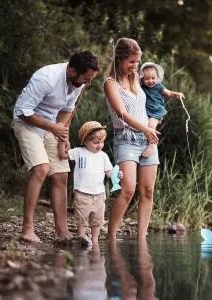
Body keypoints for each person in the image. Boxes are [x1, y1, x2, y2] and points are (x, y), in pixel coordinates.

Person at [12, 51, 100, 243]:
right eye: (86, 78)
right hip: (27, 123)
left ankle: (62, 233)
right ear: (72, 70)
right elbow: (23, 111)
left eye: (91, 79)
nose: (88, 83)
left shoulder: (78, 83)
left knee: (61, 174)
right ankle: (27, 230)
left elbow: (66, 110)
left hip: (51, 125)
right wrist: (53, 127)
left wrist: (62, 136)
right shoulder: (46, 78)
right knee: (42, 169)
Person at [104, 37, 159, 240]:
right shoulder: (110, 83)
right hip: (125, 139)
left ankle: (141, 239)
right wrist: (145, 129)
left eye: (137, 62)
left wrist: (152, 126)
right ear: (120, 59)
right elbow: (121, 114)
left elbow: (156, 101)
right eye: (131, 62)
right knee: (127, 190)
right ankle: (111, 237)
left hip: (148, 139)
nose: (135, 66)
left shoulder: (138, 78)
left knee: (147, 190)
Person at [68, 121, 123, 245]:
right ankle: (81, 237)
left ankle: (94, 240)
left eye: (102, 142)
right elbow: (64, 154)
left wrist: (116, 174)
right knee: (82, 217)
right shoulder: (78, 152)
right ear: (85, 141)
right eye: (96, 143)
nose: (100, 145)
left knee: (97, 219)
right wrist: (63, 142)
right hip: (82, 192)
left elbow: (108, 171)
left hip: (99, 193)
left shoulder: (103, 156)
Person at [140, 62, 185, 157]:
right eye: (147, 79)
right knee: (144, 125)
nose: (150, 81)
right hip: (146, 111)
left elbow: (168, 93)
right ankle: (144, 143)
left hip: (156, 110)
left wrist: (176, 94)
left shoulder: (159, 86)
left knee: (150, 127)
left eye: (153, 78)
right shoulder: (142, 87)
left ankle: (151, 145)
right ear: (142, 79)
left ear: (157, 78)